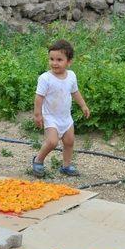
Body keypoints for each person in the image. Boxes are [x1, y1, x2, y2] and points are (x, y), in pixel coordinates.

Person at [32, 39, 90, 177]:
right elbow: (39, 97)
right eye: (51, 59)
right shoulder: (45, 78)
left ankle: (66, 165)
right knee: (52, 142)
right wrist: (37, 115)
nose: (54, 63)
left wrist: (83, 105)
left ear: (69, 62)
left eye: (59, 59)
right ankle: (38, 160)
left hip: (65, 117)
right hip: (50, 117)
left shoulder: (71, 76)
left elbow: (75, 92)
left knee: (69, 142)